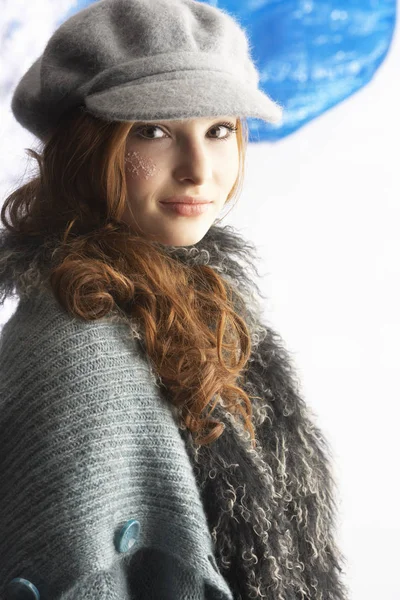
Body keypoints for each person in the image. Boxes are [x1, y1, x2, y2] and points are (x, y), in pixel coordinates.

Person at [0, 0, 349, 599]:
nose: (198, 170)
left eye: (219, 131)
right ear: (84, 148)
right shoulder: (79, 353)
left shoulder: (202, 305)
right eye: (155, 130)